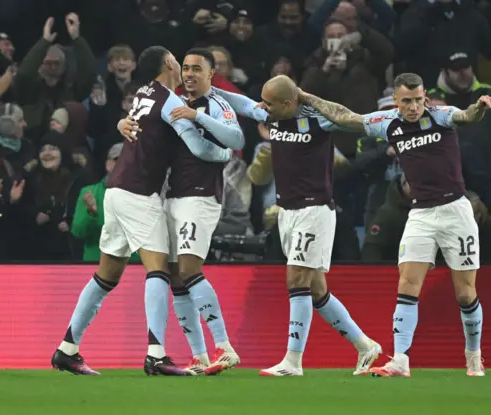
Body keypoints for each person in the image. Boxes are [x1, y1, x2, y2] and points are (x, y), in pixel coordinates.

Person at [298, 72, 491, 377]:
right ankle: (400, 358)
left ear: (426, 99)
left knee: (465, 293)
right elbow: (345, 116)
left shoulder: (441, 116)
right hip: (420, 213)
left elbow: (467, 116)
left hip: (456, 210)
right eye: (407, 101)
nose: (414, 107)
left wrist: (479, 107)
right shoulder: (387, 121)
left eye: (418, 100)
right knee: (407, 283)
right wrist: (305, 96)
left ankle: (473, 353)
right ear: (396, 101)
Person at [50, 46, 231, 376]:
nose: (182, 67)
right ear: (168, 64)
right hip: (138, 193)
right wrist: (224, 154)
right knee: (160, 269)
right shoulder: (170, 100)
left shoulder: (143, 94)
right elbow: (197, 147)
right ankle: (156, 354)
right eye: (177, 61)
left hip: (115, 190)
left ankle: (67, 348)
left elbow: (138, 125)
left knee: (107, 275)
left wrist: (122, 122)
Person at [212, 75, 381, 377]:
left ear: (289, 103)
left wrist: (308, 96)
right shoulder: (273, 116)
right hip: (286, 212)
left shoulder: (318, 120)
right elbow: (244, 105)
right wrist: (212, 90)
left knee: (297, 280)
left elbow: (353, 119)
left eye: (271, 103)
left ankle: (293, 361)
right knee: (316, 291)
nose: (264, 107)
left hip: (313, 210)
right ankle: (365, 346)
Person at [120, 48, 244, 375]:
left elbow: (236, 138)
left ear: (210, 73)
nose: (188, 74)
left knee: (189, 271)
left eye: (196, 69)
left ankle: (225, 346)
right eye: (185, 68)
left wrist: (199, 118)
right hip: (172, 196)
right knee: (176, 278)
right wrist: (124, 122)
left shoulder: (217, 104)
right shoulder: (173, 102)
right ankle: (200, 355)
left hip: (200, 196)